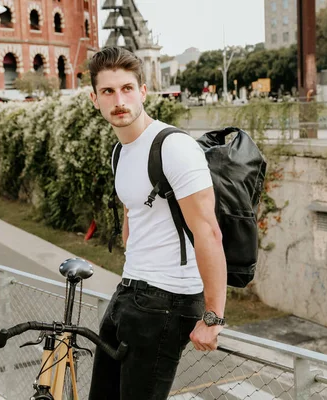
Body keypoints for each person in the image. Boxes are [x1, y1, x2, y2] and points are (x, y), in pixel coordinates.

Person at [87, 46, 227, 400]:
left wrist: (213, 317)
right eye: (108, 91)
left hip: (169, 300)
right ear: (95, 99)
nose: (119, 100)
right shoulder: (120, 152)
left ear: (143, 92)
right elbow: (135, 214)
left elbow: (208, 231)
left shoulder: (173, 147)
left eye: (127, 89)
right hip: (129, 293)